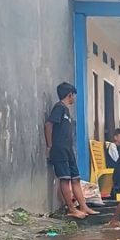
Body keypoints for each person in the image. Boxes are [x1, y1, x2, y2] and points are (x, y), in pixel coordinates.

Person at [45, 82, 100, 219]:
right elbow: (48, 124)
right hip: (60, 149)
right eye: (73, 96)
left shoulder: (66, 111)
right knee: (65, 179)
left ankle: (83, 206)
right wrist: (50, 146)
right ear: (69, 95)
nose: (73, 99)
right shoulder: (59, 108)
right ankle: (70, 208)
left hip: (68, 150)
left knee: (75, 178)